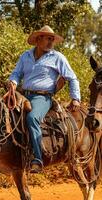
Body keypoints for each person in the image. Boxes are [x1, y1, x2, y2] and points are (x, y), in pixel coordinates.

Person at [8, 25, 81, 173]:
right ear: (38, 39)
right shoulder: (25, 56)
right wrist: (13, 82)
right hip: (22, 94)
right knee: (0, 113)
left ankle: (37, 158)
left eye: (52, 39)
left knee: (32, 118)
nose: (51, 42)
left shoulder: (57, 57)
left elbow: (72, 78)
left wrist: (75, 98)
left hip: (42, 97)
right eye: (48, 38)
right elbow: (16, 73)